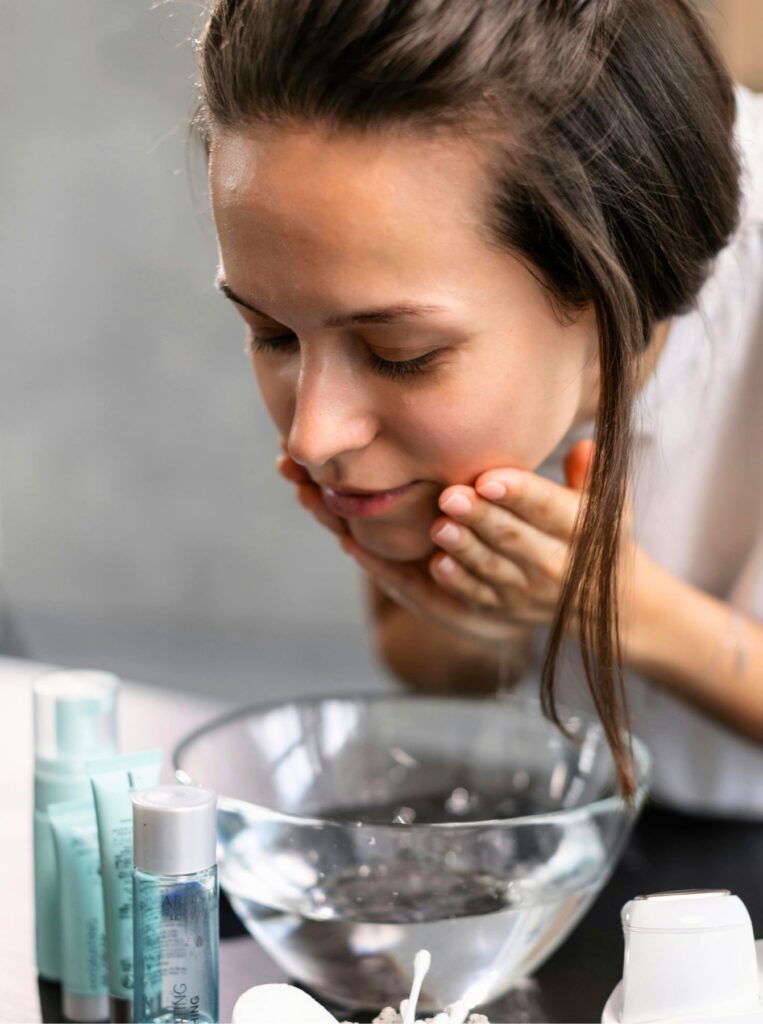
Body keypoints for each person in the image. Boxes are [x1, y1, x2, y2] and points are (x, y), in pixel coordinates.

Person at [193, 0, 763, 812]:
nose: (315, 436)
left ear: (610, 277)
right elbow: (424, 661)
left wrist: (620, 609)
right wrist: (486, 603)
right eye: (270, 333)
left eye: (401, 355)